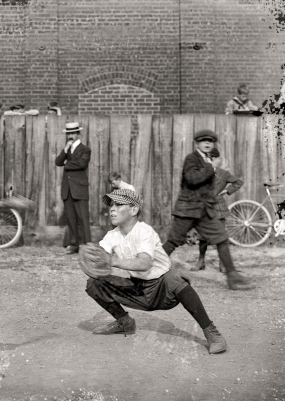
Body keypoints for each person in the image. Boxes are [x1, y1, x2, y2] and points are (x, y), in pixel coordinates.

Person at [83, 189, 228, 355]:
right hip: (138, 289)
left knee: (173, 277)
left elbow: (144, 263)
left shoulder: (144, 231)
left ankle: (213, 333)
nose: (112, 209)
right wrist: (91, 262)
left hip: (163, 290)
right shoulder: (112, 235)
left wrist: (111, 261)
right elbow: (99, 258)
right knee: (94, 283)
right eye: (111, 205)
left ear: (134, 210)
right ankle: (124, 322)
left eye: (118, 204)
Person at [162, 130, 250, 290]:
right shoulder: (192, 159)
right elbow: (192, 179)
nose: (207, 144)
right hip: (187, 210)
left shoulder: (207, 161)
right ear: (197, 144)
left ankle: (233, 277)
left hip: (204, 211)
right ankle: (147, 272)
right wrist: (211, 167)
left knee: (221, 238)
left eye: (210, 141)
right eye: (204, 141)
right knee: (173, 241)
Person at [192, 147, 243, 272]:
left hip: (218, 209)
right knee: (202, 237)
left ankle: (223, 264)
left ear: (213, 159)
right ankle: (201, 261)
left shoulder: (223, 173)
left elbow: (238, 182)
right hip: (203, 208)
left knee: (221, 237)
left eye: (206, 158)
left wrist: (227, 191)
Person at [55, 122, 91, 255]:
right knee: (71, 218)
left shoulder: (85, 149)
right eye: (69, 133)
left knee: (83, 218)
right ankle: (74, 244)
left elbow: (82, 164)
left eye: (73, 133)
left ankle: (87, 246)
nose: (71, 135)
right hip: (68, 190)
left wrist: (67, 164)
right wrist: (65, 150)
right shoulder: (67, 149)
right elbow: (58, 162)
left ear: (78, 134)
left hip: (79, 189)